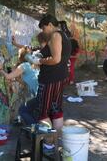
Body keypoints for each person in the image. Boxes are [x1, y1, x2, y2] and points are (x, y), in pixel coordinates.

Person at [26, 15, 71, 150]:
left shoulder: (55, 36)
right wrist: (40, 54)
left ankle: (48, 143)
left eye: (44, 28)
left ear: (50, 24)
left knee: (43, 112)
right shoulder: (63, 35)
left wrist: (39, 61)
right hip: (59, 77)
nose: (44, 31)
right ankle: (53, 142)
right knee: (55, 110)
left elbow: (56, 59)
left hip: (50, 79)